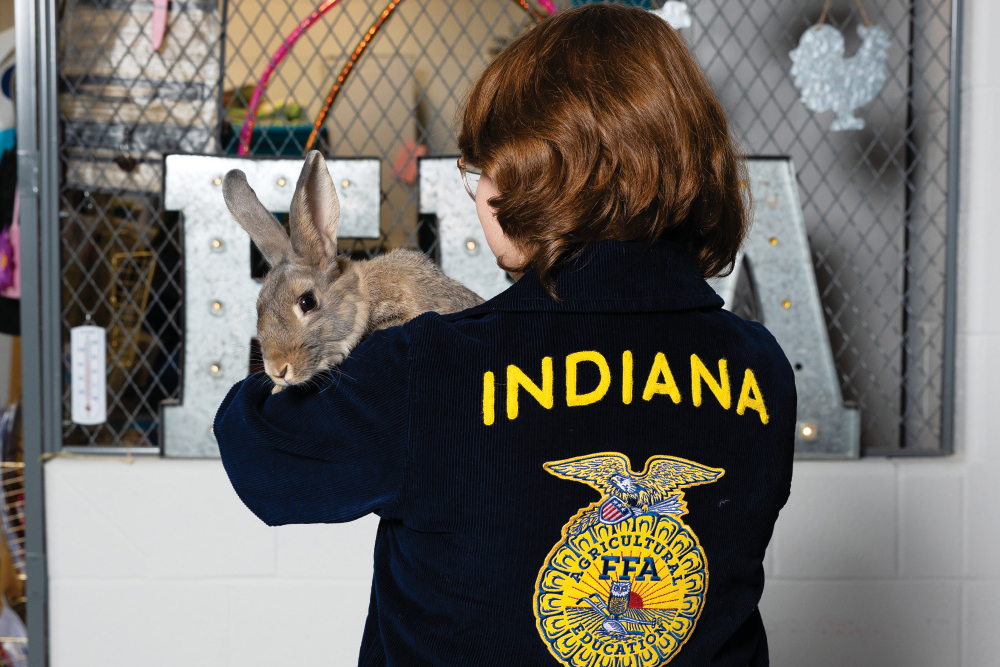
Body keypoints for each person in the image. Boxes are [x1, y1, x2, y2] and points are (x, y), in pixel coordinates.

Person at [214, 4, 796, 666]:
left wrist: (324, 318)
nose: (477, 192)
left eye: (481, 169)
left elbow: (263, 461)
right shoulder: (763, 372)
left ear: (531, 177)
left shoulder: (429, 368)